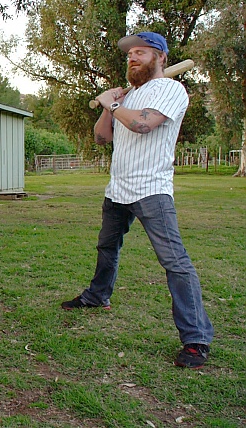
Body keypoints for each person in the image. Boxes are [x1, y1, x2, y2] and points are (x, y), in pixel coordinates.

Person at [61, 32, 214, 368]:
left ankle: (196, 338)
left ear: (160, 57)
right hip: (118, 189)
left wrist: (114, 105)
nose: (132, 57)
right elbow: (101, 138)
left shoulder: (171, 89)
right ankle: (97, 296)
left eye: (141, 52)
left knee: (175, 262)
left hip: (152, 189)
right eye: (130, 54)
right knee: (107, 247)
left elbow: (144, 125)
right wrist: (109, 105)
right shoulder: (129, 95)